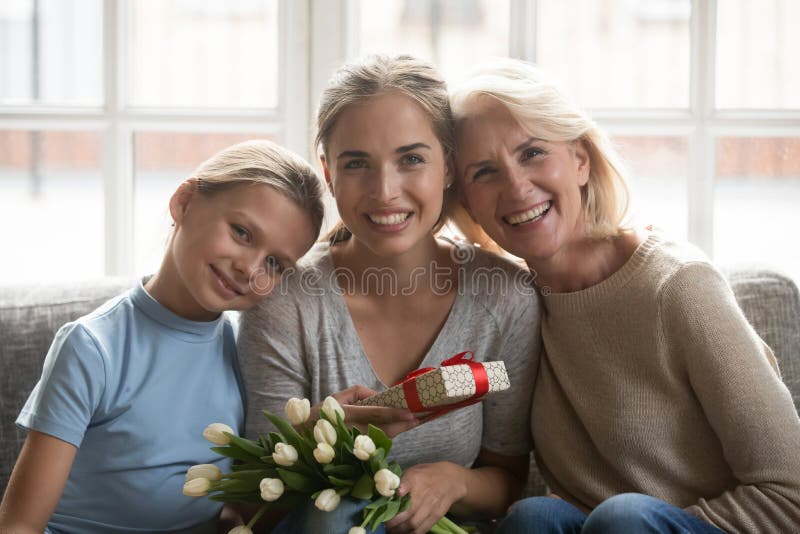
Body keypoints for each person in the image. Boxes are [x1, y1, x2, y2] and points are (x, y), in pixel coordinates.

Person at [449, 58, 800, 533]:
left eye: (532, 153)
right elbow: (460, 381)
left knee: (624, 519)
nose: (515, 186)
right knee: (535, 518)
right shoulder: (513, 305)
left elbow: (790, 492)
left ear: (580, 159)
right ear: (467, 203)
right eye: (484, 172)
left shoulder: (679, 286)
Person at [237, 54, 541, 534]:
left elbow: (507, 479)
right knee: (332, 514)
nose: (384, 191)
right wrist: (314, 443)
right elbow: (259, 504)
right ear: (329, 172)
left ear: (448, 166)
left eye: (412, 159)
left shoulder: (504, 298)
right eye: (357, 163)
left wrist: (455, 482)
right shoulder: (284, 303)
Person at [0, 140, 326, 534]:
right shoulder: (92, 347)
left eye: (274, 263)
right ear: (184, 202)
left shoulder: (244, 351)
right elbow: (20, 524)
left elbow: (234, 504)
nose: (249, 267)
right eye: (241, 232)